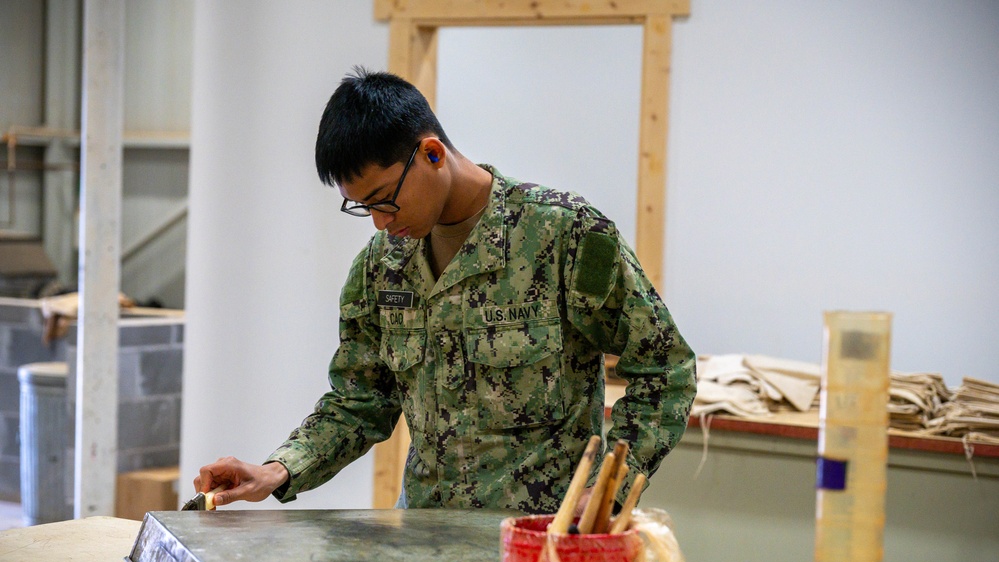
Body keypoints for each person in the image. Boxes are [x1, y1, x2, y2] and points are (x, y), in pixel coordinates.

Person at [194, 67, 696, 514]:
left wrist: (614, 482)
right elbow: (362, 399)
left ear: (431, 153)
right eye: (361, 207)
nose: (378, 224)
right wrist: (277, 470)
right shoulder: (380, 268)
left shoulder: (563, 236)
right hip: (425, 535)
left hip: (540, 543)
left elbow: (664, 366)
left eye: (384, 201)